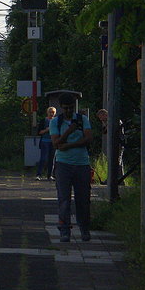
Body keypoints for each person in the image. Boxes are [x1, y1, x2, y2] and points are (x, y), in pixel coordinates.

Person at [50, 96, 93, 242]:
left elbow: (88, 138)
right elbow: (55, 143)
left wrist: (68, 145)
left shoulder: (83, 119)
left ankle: (84, 229)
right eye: (65, 108)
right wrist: (70, 132)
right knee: (64, 199)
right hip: (63, 164)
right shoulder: (56, 121)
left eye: (70, 108)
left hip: (82, 164)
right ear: (62, 107)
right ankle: (64, 230)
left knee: (83, 199)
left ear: (74, 107)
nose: (68, 110)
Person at [94, 108, 125, 184]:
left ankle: (112, 179)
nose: (101, 119)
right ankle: (120, 180)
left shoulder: (114, 120)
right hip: (115, 143)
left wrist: (106, 123)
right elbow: (104, 131)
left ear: (105, 115)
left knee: (116, 161)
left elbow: (109, 130)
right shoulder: (109, 121)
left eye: (101, 117)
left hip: (118, 143)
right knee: (118, 162)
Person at [35, 106, 56, 180]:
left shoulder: (56, 121)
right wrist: (47, 130)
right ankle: (38, 174)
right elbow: (39, 132)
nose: (51, 114)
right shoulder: (43, 121)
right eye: (50, 112)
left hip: (53, 142)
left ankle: (50, 175)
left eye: (53, 112)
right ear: (47, 113)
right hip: (45, 141)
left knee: (52, 159)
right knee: (43, 158)